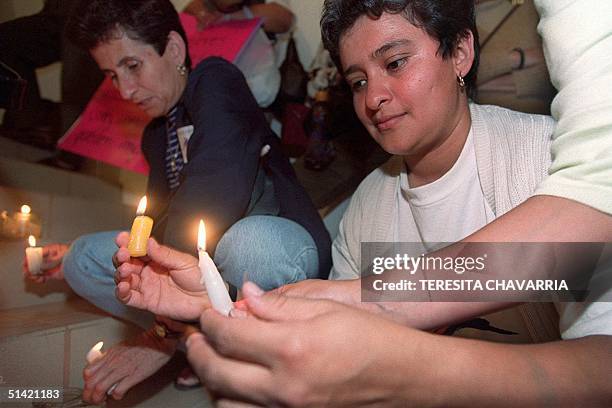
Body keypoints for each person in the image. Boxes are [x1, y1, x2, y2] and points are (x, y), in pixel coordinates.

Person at [113, 0, 612, 405]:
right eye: (357, 81)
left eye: (395, 63)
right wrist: (221, 304)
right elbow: (345, 326)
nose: (374, 97)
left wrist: (408, 368)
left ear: (460, 52)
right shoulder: (370, 204)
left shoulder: (545, 166)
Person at [23, 0, 331, 403]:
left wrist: (160, 333)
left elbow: (215, 182)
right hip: (203, 272)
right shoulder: (155, 134)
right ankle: (205, 340)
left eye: (133, 66)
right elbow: (158, 216)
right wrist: (103, 257)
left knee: (250, 244)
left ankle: (211, 344)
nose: (126, 90)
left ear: (173, 48)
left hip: (271, 249)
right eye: (112, 76)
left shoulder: (215, 79)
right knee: (85, 257)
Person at [184, 0, 295, 107]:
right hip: (210, 91)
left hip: (255, 87)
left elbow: (286, 20)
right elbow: (188, 12)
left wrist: (238, 16)